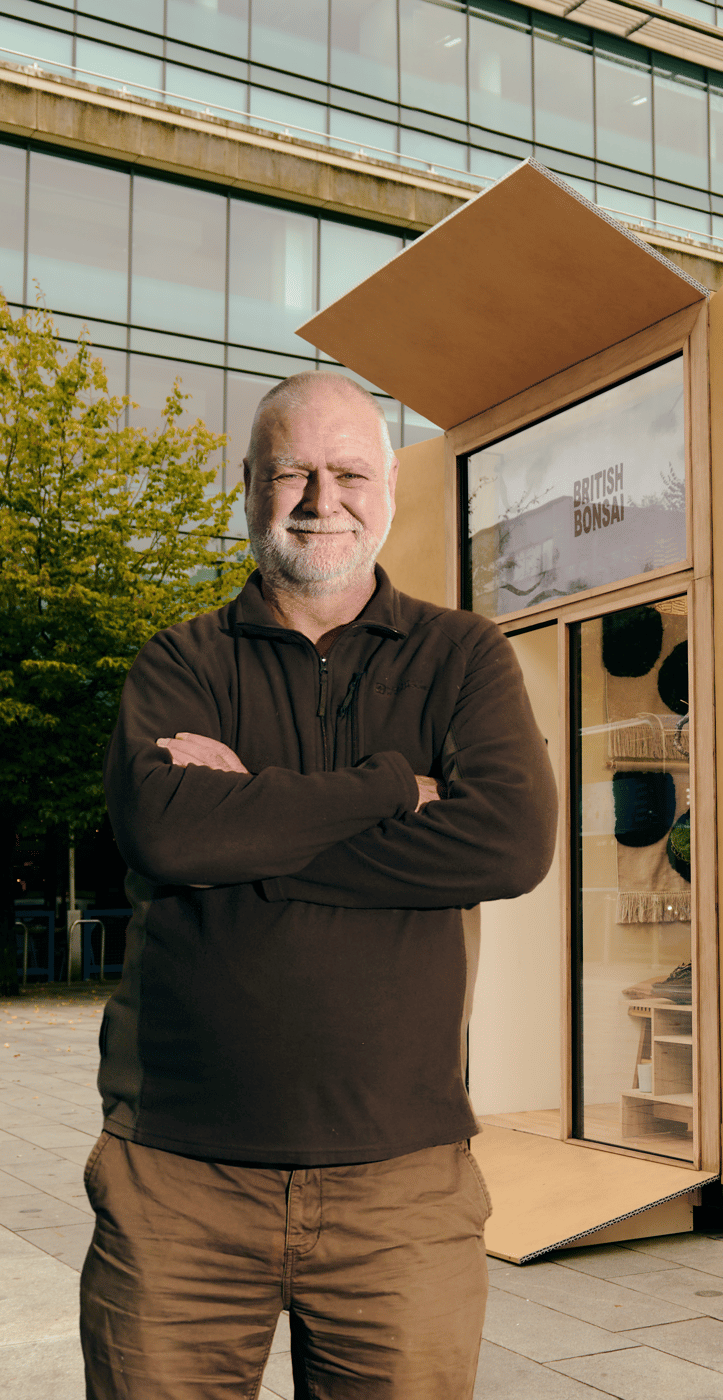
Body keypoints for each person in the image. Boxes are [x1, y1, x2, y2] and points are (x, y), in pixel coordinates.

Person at [82, 370, 557, 1397]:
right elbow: (166, 831)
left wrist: (249, 819)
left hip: (401, 1188)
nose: (319, 499)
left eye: (346, 472)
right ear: (248, 483)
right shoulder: (178, 661)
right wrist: (392, 786)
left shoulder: (463, 655)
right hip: (178, 1181)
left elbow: (510, 844)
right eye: (292, 471)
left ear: (389, 483)